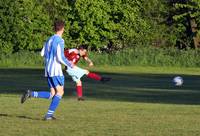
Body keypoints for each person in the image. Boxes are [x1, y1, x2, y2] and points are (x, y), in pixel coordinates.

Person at [20, 20, 73, 120]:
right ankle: (48, 115)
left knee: (53, 93)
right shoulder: (60, 40)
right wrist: (70, 64)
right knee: (60, 92)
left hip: (48, 70)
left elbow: (42, 54)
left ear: (54, 28)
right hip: (56, 70)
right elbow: (60, 57)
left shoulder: (49, 39)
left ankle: (30, 93)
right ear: (63, 29)